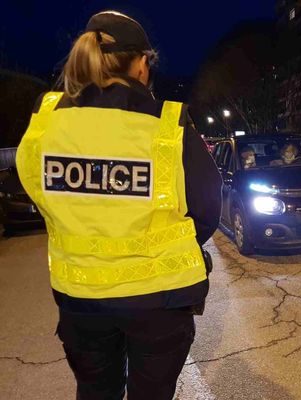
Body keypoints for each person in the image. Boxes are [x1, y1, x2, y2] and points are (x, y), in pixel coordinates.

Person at [15, 11, 222, 400]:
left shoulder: (45, 121)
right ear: (142, 64)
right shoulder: (168, 124)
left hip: (80, 300)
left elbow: (36, 191)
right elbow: (208, 209)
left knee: (95, 390)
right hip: (160, 302)